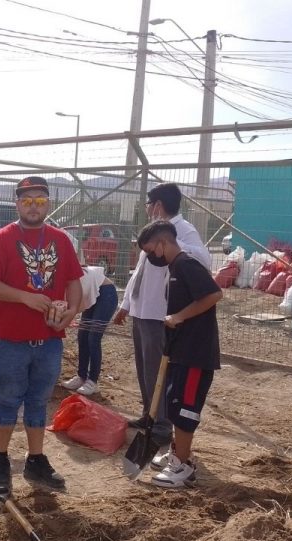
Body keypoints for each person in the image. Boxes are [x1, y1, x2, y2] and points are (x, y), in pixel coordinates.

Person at [0, 176, 83, 489]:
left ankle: (35, 460)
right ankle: (1, 457)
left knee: (39, 401)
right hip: (10, 339)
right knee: (8, 400)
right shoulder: (3, 239)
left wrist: (71, 313)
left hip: (49, 340)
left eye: (39, 200)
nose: (33, 206)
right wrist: (25, 296)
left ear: (48, 203)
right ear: (17, 204)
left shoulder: (61, 239)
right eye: (27, 200)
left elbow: (75, 280)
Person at [112, 182, 211, 442]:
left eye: (148, 205)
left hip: (159, 314)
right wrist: (125, 305)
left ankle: (162, 425)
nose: (146, 210)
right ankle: (149, 413)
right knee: (145, 369)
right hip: (142, 310)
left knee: (159, 371)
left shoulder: (182, 230)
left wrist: (174, 246)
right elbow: (140, 272)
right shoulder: (153, 232)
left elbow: (203, 259)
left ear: (157, 206)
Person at [135, 220, 222, 488]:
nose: (151, 257)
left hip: (196, 353)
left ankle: (182, 467)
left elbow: (213, 294)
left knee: (185, 409)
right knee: (174, 404)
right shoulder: (174, 268)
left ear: (163, 243)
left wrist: (179, 316)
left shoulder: (187, 264)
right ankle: (177, 454)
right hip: (181, 350)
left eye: (152, 250)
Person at [61, 265, 117, 396]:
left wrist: (66, 319)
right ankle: (81, 376)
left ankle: (93, 381)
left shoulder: (66, 273)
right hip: (91, 295)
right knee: (82, 336)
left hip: (105, 293)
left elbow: (72, 304)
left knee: (93, 338)